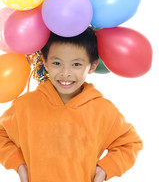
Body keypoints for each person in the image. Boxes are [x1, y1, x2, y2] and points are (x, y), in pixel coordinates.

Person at [0, 27, 143, 182]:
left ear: (92, 66)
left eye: (76, 64)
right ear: (45, 62)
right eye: (57, 63)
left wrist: (104, 170)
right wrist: (19, 165)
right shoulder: (25, 105)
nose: (65, 73)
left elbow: (130, 143)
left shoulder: (103, 110)